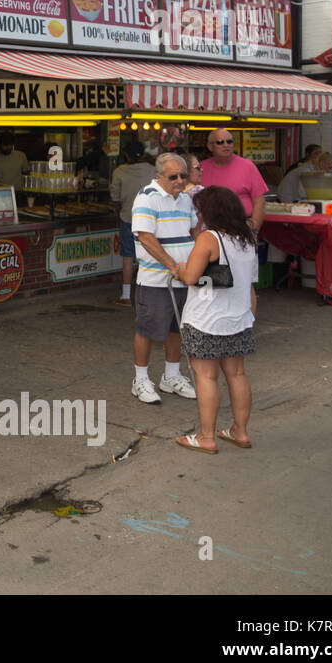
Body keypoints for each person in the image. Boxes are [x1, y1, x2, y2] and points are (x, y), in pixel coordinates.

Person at [173, 186, 258, 454]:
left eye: (199, 210)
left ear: (210, 211)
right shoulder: (246, 239)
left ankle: (206, 437)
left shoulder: (209, 238)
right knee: (237, 374)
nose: (197, 214)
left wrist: (179, 269)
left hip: (206, 319)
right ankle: (240, 431)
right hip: (240, 318)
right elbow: (248, 283)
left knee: (206, 378)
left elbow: (190, 277)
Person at [129, 153, 197, 404]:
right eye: (173, 176)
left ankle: (171, 376)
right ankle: (140, 380)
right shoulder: (147, 198)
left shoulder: (186, 198)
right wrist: (172, 266)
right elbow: (146, 237)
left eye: (183, 175)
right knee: (146, 329)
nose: (180, 180)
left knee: (176, 328)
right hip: (155, 279)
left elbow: (193, 229)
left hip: (183, 276)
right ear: (158, 176)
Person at [110, 140, 157, 306]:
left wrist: (120, 208)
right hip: (151, 220)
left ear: (127, 155)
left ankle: (126, 295)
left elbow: (114, 198)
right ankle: (151, 294)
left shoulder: (120, 172)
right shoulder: (154, 170)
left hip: (128, 218)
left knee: (128, 256)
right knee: (151, 254)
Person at [200, 129, 267, 231]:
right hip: (210, 227)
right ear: (210, 146)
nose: (226, 145)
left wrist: (254, 228)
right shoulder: (201, 168)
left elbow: (259, 201)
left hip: (241, 225)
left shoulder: (248, 166)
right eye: (220, 142)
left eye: (229, 141)